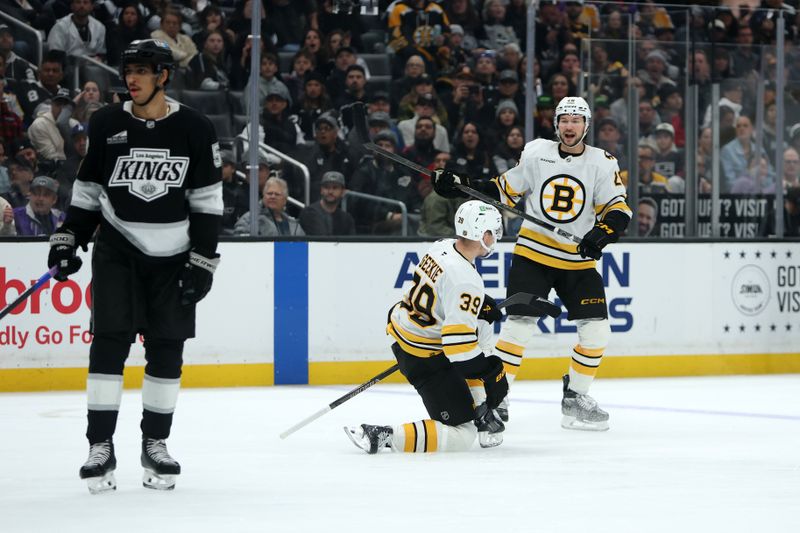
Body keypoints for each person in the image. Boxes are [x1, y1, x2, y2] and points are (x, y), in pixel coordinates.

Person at [46, 39, 223, 494]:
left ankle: (155, 443)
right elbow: (86, 193)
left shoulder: (195, 128)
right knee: (107, 347)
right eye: (128, 71)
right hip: (118, 251)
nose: (132, 79)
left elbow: (207, 204)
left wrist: (202, 261)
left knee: (167, 350)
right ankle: (99, 446)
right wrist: (69, 237)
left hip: (174, 259)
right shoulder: (106, 122)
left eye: (143, 71)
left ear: (164, 76)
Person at [432, 96, 631, 431]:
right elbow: (503, 190)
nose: (570, 126)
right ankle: (498, 396)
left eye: (576, 120)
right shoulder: (537, 153)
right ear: (556, 125)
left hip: (577, 261)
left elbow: (618, 209)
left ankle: (576, 396)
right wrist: (462, 186)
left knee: (597, 331)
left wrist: (601, 233)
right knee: (519, 325)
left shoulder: (602, 162)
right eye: (564, 120)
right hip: (534, 254)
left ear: (586, 125)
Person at [344, 200, 508, 453]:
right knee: (462, 435)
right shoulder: (467, 281)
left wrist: (479, 307)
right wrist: (493, 374)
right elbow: (460, 350)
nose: (495, 237)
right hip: (424, 357)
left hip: (405, 332)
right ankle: (384, 436)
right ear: (482, 233)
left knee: (482, 322)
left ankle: (481, 410)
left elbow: (443, 290)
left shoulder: (441, 247)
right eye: (493, 232)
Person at [234, 176, 304, 236]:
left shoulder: (295, 225)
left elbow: (303, 248)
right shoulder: (249, 219)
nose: (273, 196)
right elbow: (242, 246)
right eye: (269, 193)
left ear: (284, 200)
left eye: (277, 194)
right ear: (263, 196)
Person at [298, 171, 355, 236]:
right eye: (327, 187)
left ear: (342, 192)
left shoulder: (347, 218)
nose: (330, 191)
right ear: (321, 190)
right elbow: (321, 239)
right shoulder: (309, 213)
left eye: (335, 188)